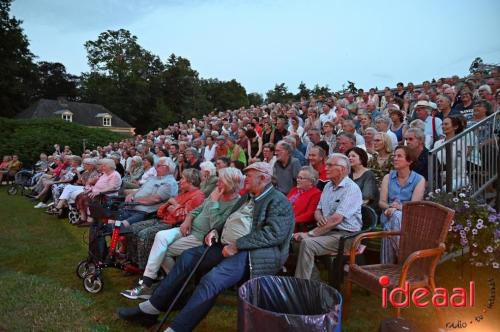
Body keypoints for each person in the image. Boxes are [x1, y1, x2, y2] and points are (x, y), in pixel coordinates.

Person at [118, 162, 294, 331]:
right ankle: (152, 308)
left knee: (211, 280)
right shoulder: (249, 196)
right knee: (188, 257)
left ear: (263, 179)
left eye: (248, 176)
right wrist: (215, 231)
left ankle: (177, 328)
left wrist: (237, 245)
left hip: (253, 253)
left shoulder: (279, 201)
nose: (245, 179)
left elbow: (274, 235)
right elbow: (227, 220)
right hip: (225, 244)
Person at [120, 167, 244, 300]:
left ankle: (172, 285)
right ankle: (148, 280)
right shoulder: (217, 192)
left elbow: (216, 225)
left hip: (201, 236)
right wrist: (188, 220)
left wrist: (214, 202)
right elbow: (197, 210)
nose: (217, 183)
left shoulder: (235, 203)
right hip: (187, 228)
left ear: (231, 183)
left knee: (164, 251)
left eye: (221, 181)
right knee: (160, 236)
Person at [293, 154, 363, 280]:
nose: (326, 168)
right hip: (328, 231)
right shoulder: (328, 186)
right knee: (296, 242)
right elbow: (318, 210)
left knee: (307, 243)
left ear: (342, 169)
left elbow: (337, 220)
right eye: (327, 165)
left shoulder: (351, 189)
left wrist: (310, 234)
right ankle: (313, 283)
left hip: (346, 236)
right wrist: (320, 219)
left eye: (330, 165)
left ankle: (302, 288)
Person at [125, 168, 204, 272]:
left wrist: (174, 205)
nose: (180, 180)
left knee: (144, 234)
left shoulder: (198, 196)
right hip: (164, 219)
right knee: (132, 228)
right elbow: (162, 210)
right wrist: (171, 206)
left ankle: (147, 270)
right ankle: (134, 262)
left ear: (191, 181)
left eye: (183, 178)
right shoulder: (183, 193)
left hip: (175, 225)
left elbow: (183, 216)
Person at [379, 146, 425, 264]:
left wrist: (396, 208)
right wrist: (391, 208)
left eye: (399, 156)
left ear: (409, 161)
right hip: (387, 214)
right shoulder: (388, 177)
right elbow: (382, 202)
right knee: (394, 216)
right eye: (394, 155)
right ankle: (406, 260)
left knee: (391, 223)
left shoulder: (419, 179)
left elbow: (413, 207)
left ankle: (387, 265)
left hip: (409, 218)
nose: (395, 158)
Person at [433, 115, 468, 191]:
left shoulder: (461, 143)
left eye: (446, 124)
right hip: (441, 177)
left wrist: (445, 178)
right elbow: (435, 164)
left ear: (455, 127)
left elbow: (460, 167)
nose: (443, 126)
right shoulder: (437, 143)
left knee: (445, 189)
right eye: (442, 124)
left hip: (459, 178)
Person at [287, 166, 322, 231]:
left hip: (296, 225)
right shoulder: (294, 190)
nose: (297, 180)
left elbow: (310, 214)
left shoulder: (316, 194)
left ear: (311, 181)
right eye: (298, 177)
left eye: (301, 178)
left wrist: (291, 220)